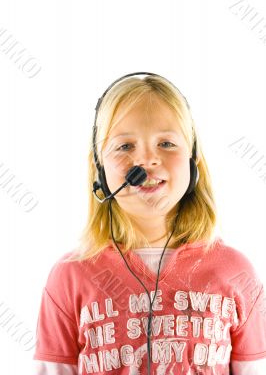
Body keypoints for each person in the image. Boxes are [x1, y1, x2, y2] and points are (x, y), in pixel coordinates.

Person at [33, 73, 266, 374]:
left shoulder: (236, 272)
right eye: (125, 146)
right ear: (100, 171)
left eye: (167, 143)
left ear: (194, 162)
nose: (145, 159)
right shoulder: (69, 276)